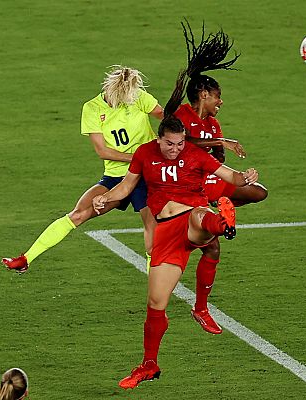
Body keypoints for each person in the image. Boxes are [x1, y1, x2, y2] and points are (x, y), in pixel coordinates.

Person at [91, 24, 257, 389]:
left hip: (191, 217)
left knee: (202, 219)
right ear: (162, 137)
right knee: (156, 302)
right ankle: (149, 365)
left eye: (181, 143)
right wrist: (106, 198)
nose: (176, 148)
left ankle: (222, 223)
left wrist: (245, 177)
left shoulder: (195, 151)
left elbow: (229, 175)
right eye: (170, 143)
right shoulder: (145, 154)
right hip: (166, 234)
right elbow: (127, 187)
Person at [1, 66, 163, 272]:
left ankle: (156, 297)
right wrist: (139, 157)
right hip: (115, 176)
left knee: (152, 234)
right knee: (77, 214)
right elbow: (103, 151)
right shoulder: (92, 108)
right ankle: (25, 259)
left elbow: (163, 116)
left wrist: (165, 137)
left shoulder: (138, 96)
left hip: (144, 177)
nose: (127, 100)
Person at [171, 22, 268, 336]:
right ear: (202, 94)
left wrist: (240, 174)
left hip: (209, 183)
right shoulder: (181, 117)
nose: (220, 102)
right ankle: (201, 307)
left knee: (258, 191)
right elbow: (179, 144)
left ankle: (223, 207)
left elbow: (219, 160)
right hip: (183, 187)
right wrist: (218, 146)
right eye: (217, 96)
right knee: (209, 248)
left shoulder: (213, 124)